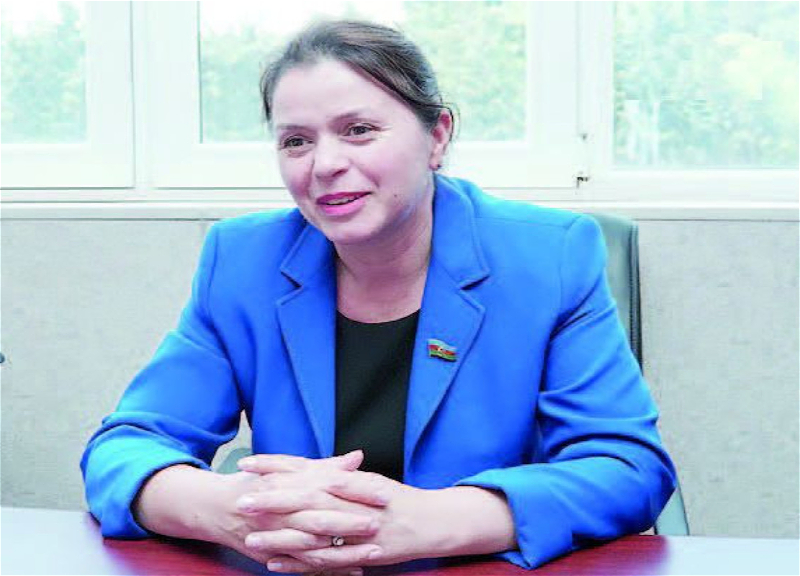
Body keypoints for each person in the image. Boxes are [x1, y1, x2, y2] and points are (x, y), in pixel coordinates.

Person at [81, 19, 676, 573]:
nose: (325, 164)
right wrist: (235, 510)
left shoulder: (551, 256)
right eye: (296, 141)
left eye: (358, 130)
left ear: (437, 136)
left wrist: (435, 520)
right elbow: (127, 448)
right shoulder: (242, 261)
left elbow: (627, 468)